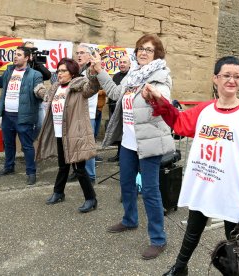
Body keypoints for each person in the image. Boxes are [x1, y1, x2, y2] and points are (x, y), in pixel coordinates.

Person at [142, 56, 239, 275]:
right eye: (226, 75)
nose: (232, 80)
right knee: (193, 229)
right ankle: (179, 268)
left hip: (231, 186)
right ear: (215, 79)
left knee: (234, 239)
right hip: (204, 180)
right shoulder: (205, 110)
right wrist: (159, 99)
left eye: (237, 76)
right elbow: (179, 122)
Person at [89, 34, 175, 260]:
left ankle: (158, 239)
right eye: (140, 49)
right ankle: (129, 219)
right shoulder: (132, 75)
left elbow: (164, 97)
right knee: (127, 184)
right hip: (128, 142)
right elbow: (116, 93)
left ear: (157, 54)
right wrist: (99, 70)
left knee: (150, 191)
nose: (143, 52)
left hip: (148, 142)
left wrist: (154, 96)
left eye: (149, 49)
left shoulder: (160, 75)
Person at [34, 57, 99, 213]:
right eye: (58, 70)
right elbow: (47, 97)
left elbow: (93, 87)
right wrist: (38, 89)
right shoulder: (56, 87)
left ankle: (91, 199)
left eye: (63, 70)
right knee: (63, 166)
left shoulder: (79, 86)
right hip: (59, 133)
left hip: (74, 134)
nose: (59, 73)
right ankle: (58, 192)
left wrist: (93, 73)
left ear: (72, 72)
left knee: (80, 169)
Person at [0, 46, 43, 185]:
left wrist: (41, 92)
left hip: (23, 116)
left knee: (27, 146)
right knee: (8, 143)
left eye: (19, 54)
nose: (15, 57)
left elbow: (39, 91)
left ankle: (31, 172)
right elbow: (1, 84)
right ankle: (9, 167)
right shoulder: (9, 71)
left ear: (27, 58)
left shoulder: (35, 75)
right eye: (14, 54)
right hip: (7, 115)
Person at [68, 44, 100, 184]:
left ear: (89, 56)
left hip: (88, 114)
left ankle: (91, 176)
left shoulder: (91, 71)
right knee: (76, 144)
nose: (79, 55)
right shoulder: (77, 71)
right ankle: (78, 171)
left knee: (87, 147)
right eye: (77, 53)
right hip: (75, 113)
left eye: (82, 53)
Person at [23, 41, 51, 140]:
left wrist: (37, 64)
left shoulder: (37, 62)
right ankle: (27, 144)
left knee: (40, 124)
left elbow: (47, 75)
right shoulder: (21, 63)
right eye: (28, 49)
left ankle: (29, 141)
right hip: (25, 100)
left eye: (32, 49)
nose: (31, 52)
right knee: (25, 125)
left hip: (37, 100)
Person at [108, 55, 131, 162]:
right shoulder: (116, 76)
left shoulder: (132, 76)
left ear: (130, 64)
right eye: (120, 62)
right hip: (115, 108)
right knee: (118, 133)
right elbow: (113, 92)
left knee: (125, 133)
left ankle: (124, 157)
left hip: (126, 110)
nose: (122, 64)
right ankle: (118, 154)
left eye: (124, 62)